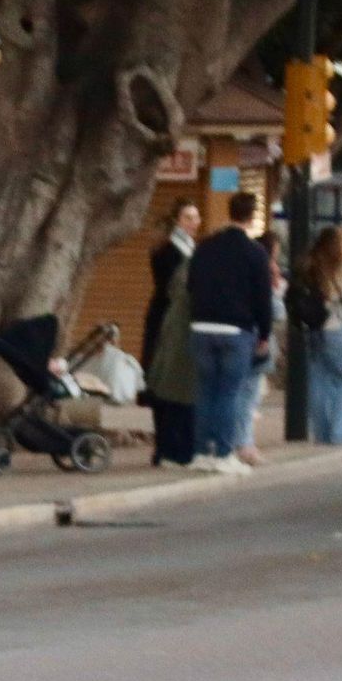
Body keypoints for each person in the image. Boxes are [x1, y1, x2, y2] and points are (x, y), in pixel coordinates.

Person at [185, 192, 270, 475]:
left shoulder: (205, 247)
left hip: (201, 326)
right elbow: (262, 298)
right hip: (236, 330)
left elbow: (190, 285)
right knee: (229, 394)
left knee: (206, 390)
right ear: (252, 216)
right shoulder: (255, 253)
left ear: (229, 211)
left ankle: (200, 451)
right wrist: (264, 334)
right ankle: (223, 452)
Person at [142, 199, 199, 468]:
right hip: (166, 321)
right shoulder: (168, 252)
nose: (194, 223)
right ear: (177, 221)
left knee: (174, 384)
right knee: (165, 383)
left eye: (196, 218)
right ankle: (166, 446)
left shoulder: (192, 250)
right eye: (188, 217)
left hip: (178, 321)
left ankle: (174, 445)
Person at [300, 226, 342, 445]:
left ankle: (323, 432)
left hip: (313, 329)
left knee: (319, 382)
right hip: (337, 329)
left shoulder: (310, 263)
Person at [232, 232, 286, 464]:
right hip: (257, 337)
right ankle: (244, 444)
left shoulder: (241, 270)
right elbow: (274, 309)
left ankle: (238, 441)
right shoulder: (265, 271)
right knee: (248, 395)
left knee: (242, 393)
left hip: (244, 334)